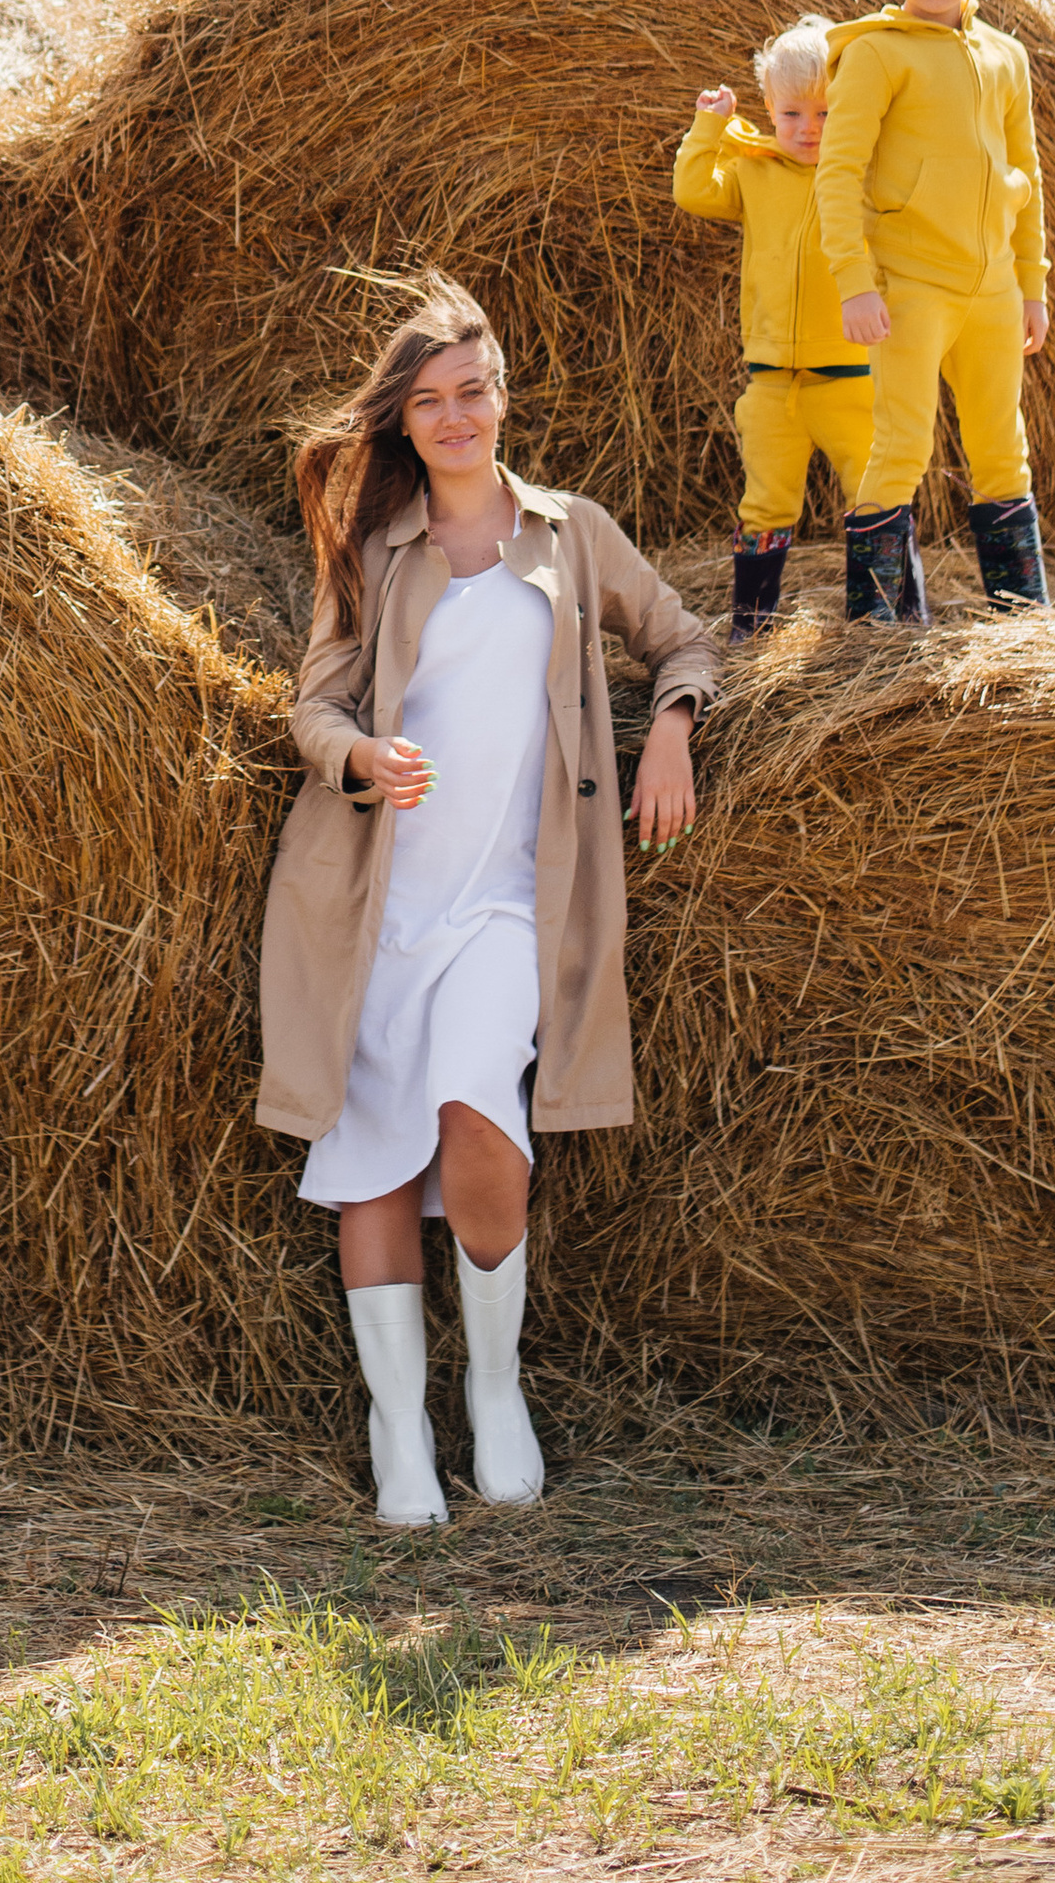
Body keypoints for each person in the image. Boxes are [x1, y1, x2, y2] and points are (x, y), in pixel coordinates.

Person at [257, 277, 720, 1529]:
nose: (454, 417)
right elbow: (312, 707)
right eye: (428, 402)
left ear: (503, 399)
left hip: (512, 900)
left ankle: (495, 1387)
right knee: (369, 1162)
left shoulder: (572, 534)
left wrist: (670, 729)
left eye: (471, 392)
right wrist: (360, 756)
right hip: (369, 900)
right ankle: (398, 1427)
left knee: (475, 1114)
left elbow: (682, 639)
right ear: (402, 423)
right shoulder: (370, 551)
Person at [816, 0, 1052, 621]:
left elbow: (1026, 175)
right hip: (910, 287)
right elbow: (837, 173)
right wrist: (855, 282)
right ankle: (874, 624)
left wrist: (1032, 285)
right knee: (902, 448)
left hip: (994, 293)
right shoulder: (877, 55)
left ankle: (1022, 616)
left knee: (1002, 449)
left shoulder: (1006, 56)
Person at [673, 15, 910, 637]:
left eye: (827, 113)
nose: (809, 128)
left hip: (851, 374)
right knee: (765, 503)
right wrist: (710, 126)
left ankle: (887, 617)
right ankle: (751, 625)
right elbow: (694, 191)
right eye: (792, 114)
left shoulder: (867, 175)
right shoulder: (754, 171)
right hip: (773, 381)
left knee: (875, 492)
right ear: (770, 110)